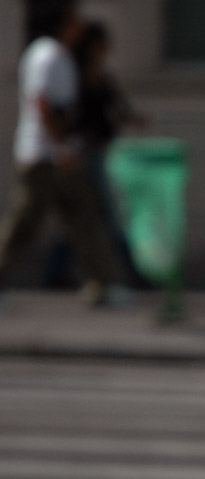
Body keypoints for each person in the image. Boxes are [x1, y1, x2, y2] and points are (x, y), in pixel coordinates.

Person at [0, 0, 122, 306]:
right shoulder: (47, 55)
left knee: (83, 218)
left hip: (60, 154)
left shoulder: (60, 55)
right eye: (74, 21)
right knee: (24, 225)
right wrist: (59, 147)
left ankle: (102, 284)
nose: (80, 27)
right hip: (44, 157)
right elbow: (42, 103)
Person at [43, 19, 151, 292]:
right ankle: (131, 274)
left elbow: (118, 105)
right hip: (82, 154)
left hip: (96, 152)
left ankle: (58, 271)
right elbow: (64, 111)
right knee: (100, 216)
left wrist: (134, 119)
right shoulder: (76, 75)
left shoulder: (101, 76)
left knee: (80, 217)